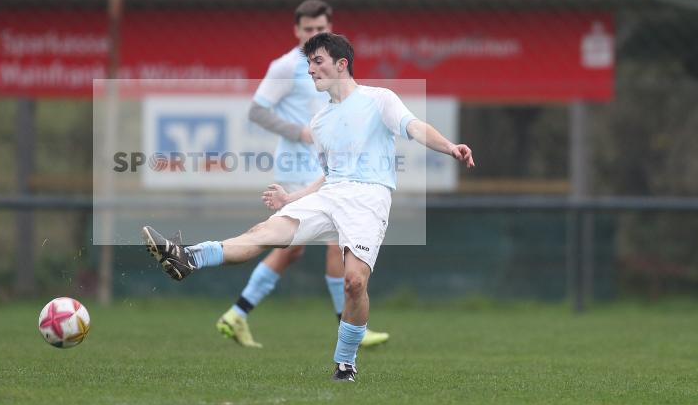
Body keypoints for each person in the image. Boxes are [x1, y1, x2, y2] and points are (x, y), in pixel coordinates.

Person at [143, 32, 474, 382]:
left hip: (368, 198)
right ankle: (188, 257)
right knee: (264, 232)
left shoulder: (379, 99)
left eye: (318, 62)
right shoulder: (319, 122)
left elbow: (415, 128)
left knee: (354, 284)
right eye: (309, 64)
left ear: (341, 64)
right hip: (329, 195)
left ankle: (345, 364)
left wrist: (450, 146)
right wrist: (291, 198)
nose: (311, 70)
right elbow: (327, 176)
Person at [215, 0, 389, 349]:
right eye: (307, 29)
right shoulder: (284, 67)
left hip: (328, 168)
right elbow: (257, 111)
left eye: (319, 29)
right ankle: (349, 324)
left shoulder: (331, 67)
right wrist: (300, 132)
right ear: (296, 31)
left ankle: (237, 314)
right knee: (335, 242)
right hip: (298, 168)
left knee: (292, 249)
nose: (313, 34)